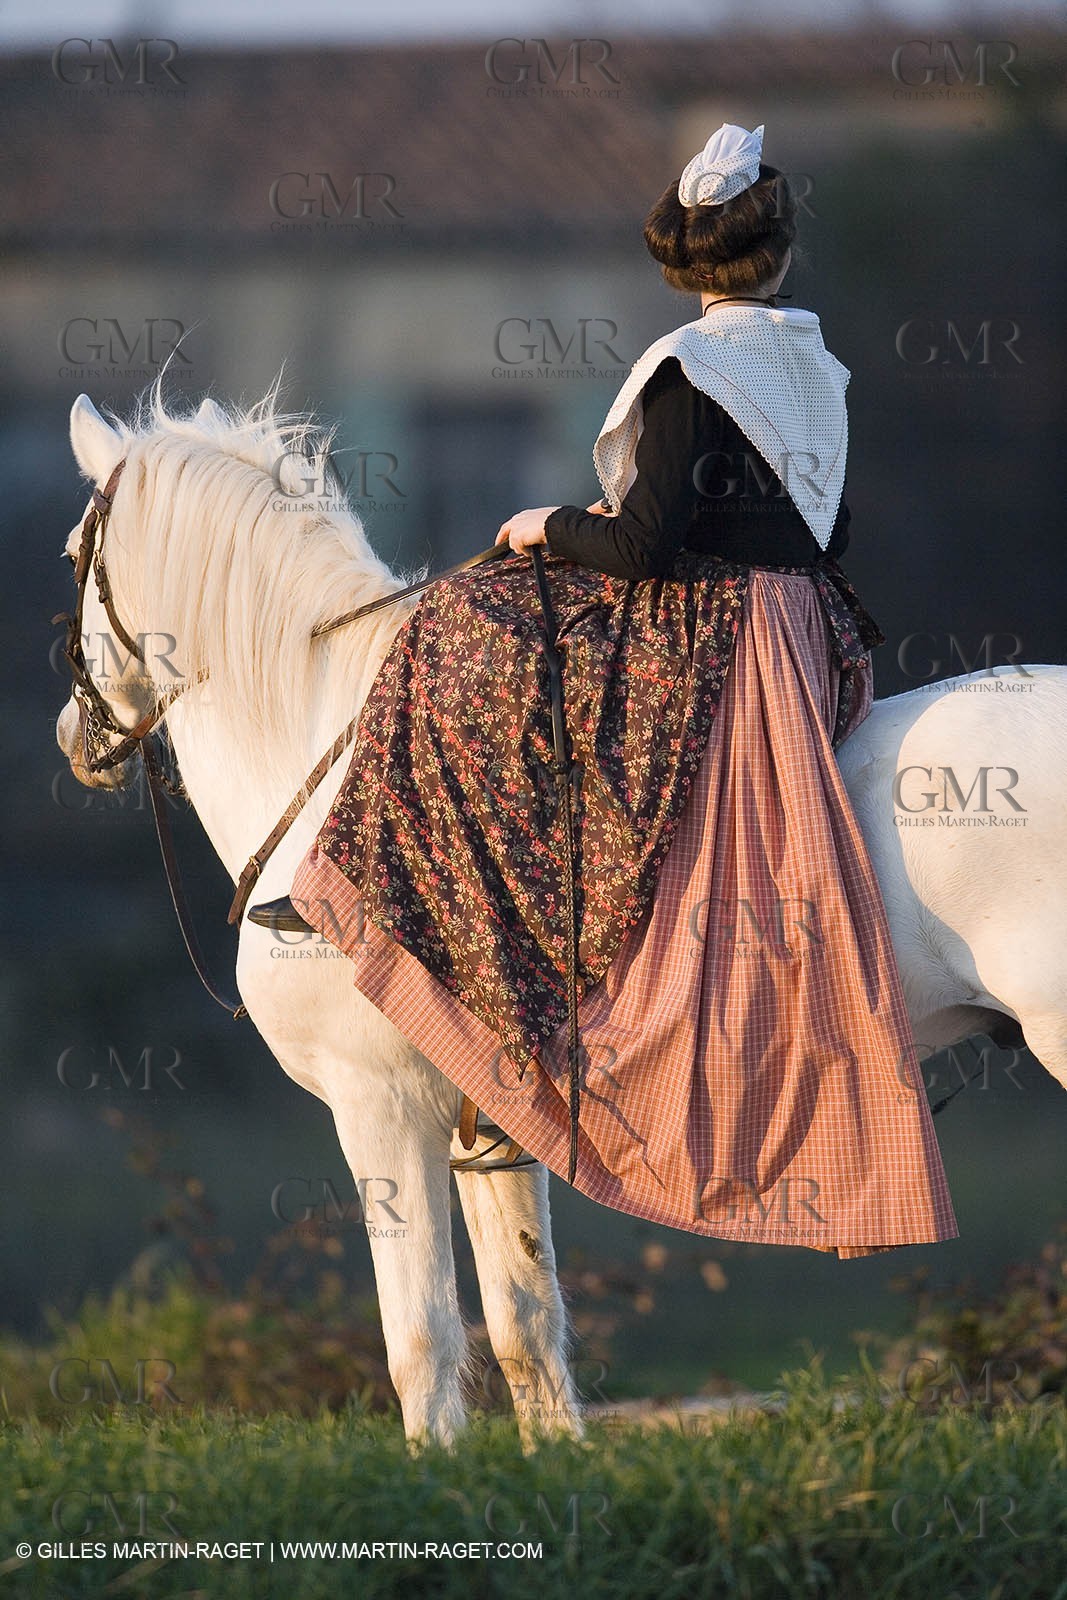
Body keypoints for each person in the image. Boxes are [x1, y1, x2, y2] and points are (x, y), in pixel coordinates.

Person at [251, 122, 958, 1258]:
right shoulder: (813, 367)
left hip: (715, 635)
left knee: (449, 623)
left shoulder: (693, 371)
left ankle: (391, 884)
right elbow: (830, 528)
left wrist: (540, 525)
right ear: (774, 256)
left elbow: (636, 548)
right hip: (808, 627)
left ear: (684, 269)